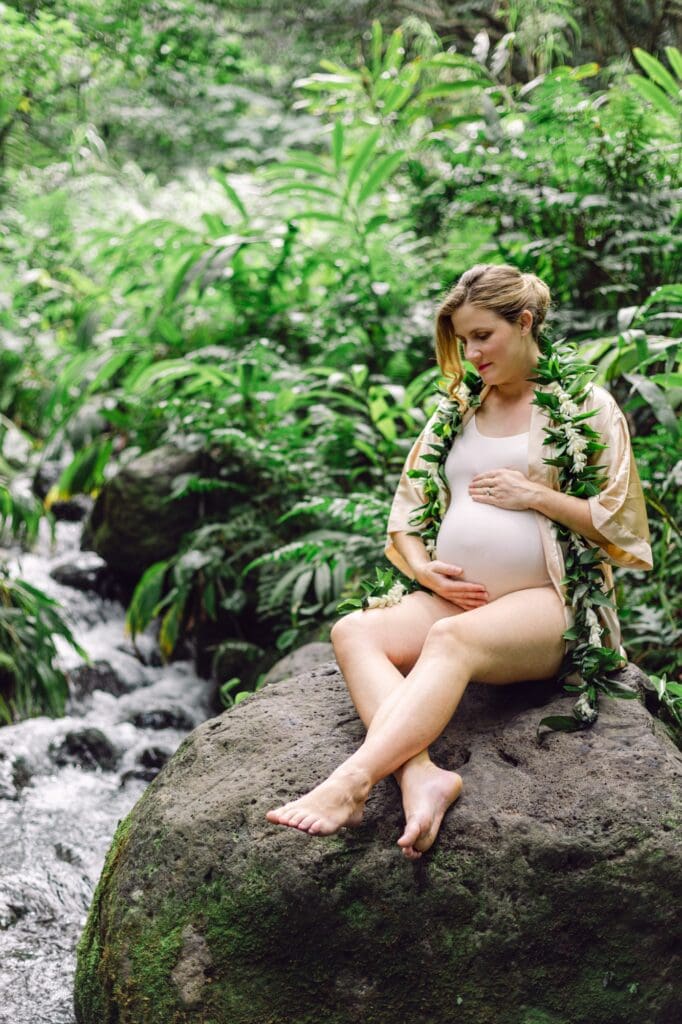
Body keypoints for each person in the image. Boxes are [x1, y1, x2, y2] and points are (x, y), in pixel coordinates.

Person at [266, 263, 652, 859]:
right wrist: (421, 569)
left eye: (482, 336)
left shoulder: (584, 406)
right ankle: (419, 773)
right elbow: (407, 509)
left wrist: (536, 496)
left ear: (523, 323)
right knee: (353, 631)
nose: (470, 353)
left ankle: (352, 782)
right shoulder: (460, 409)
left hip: (548, 604)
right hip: (456, 597)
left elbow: (621, 521)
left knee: (451, 640)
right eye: (462, 339)